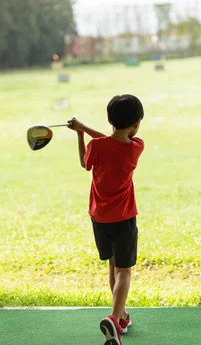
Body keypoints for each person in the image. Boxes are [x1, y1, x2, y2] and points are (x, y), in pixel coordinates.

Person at [68, 94, 145, 345]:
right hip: (124, 218)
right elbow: (115, 140)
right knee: (124, 270)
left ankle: (121, 316)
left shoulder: (96, 147)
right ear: (136, 125)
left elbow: (85, 161)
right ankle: (114, 318)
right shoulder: (136, 147)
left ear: (109, 119)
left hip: (100, 219)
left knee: (113, 265)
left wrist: (81, 133)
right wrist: (85, 129)